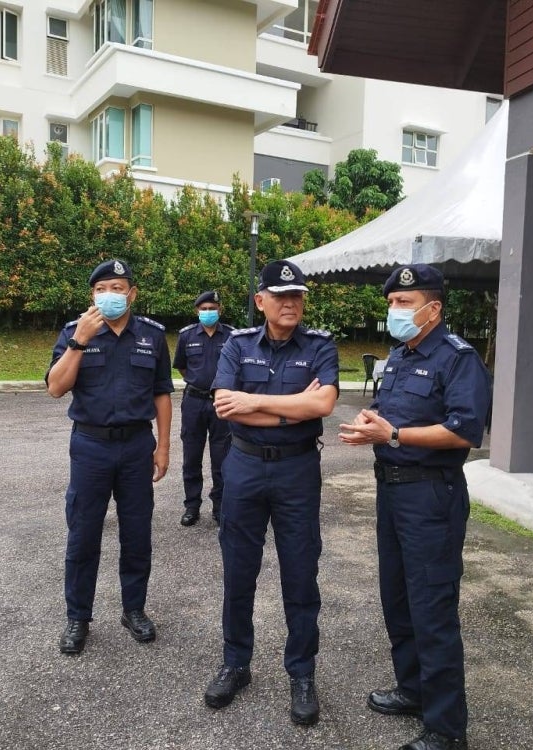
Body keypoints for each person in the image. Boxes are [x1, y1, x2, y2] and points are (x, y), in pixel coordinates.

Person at [339, 264, 491, 750]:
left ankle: (447, 730)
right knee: (398, 598)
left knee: (432, 607)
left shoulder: (457, 358)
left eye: (404, 304)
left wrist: (396, 434)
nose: (394, 311)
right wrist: (375, 423)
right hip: (394, 490)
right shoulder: (401, 356)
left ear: (433, 309)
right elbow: (396, 416)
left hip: (431, 493)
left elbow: (465, 431)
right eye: (391, 304)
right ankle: (413, 689)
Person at [203, 259, 338, 727]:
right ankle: (236, 663)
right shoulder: (237, 345)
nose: (290, 303)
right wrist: (292, 409)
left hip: (298, 471)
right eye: (280, 296)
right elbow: (225, 406)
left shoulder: (321, 345)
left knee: (301, 576)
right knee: (239, 572)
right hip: (242, 467)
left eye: (297, 296)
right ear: (260, 301)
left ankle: (302, 673)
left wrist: (256, 401)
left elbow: (323, 403)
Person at [47, 258, 173, 655]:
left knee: (137, 534)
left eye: (118, 288)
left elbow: (162, 393)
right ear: (92, 295)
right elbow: (55, 388)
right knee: (83, 534)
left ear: (132, 293)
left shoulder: (152, 336)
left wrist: (164, 445)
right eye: (102, 289)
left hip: (137, 445)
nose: (110, 295)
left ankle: (133, 609)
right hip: (91, 446)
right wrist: (79, 342)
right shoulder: (74, 332)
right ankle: (78, 617)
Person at [173, 290, 233, 526]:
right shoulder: (187, 336)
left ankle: (220, 506)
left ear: (220, 310)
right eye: (203, 309)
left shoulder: (231, 336)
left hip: (221, 402)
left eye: (212, 309)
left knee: (222, 456)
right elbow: (182, 368)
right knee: (191, 455)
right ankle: (192, 506)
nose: (208, 313)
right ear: (197, 311)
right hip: (194, 402)